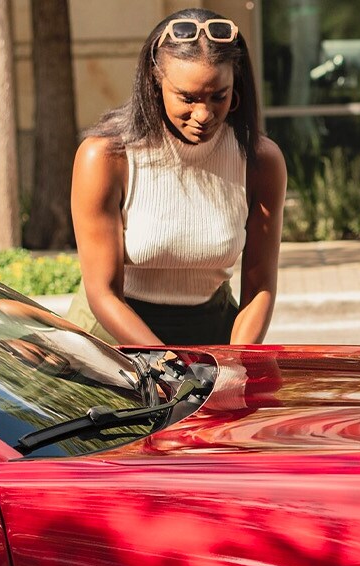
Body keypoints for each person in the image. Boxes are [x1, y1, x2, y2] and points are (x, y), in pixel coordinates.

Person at [70, 9, 285, 347]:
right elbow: (103, 293)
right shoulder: (106, 157)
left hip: (213, 337)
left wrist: (238, 359)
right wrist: (165, 364)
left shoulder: (260, 160)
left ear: (236, 86)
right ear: (155, 83)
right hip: (113, 337)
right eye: (187, 98)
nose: (203, 114)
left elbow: (259, 288)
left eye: (219, 96)